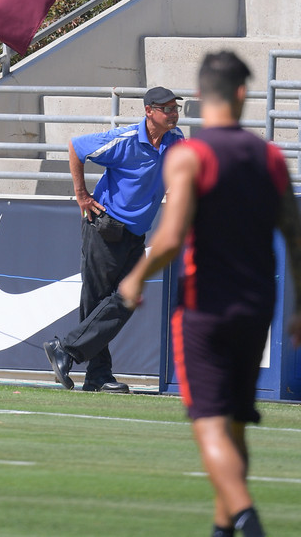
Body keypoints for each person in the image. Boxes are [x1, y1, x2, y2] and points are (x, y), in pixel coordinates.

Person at [119, 51, 301, 537]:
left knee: (209, 425)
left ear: (200, 97)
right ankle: (224, 528)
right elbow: (295, 235)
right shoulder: (271, 156)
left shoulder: (189, 155)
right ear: (243, 94)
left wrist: (137, 275)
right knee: (236, 424)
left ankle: (247, 519)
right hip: (257, 304)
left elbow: (173, 237)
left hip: (204, 307)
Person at [44, 86, 184, 392]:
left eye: (176, 108)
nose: (173, 114)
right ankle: (97, 374)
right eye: (167, 109)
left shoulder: (176, 141)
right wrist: (81, 195)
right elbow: (76, 147)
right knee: (97, 302)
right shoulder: (125, 140)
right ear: (149, 112)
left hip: (135, 234)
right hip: (104, 229)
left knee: (125, 299)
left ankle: (67, 351)